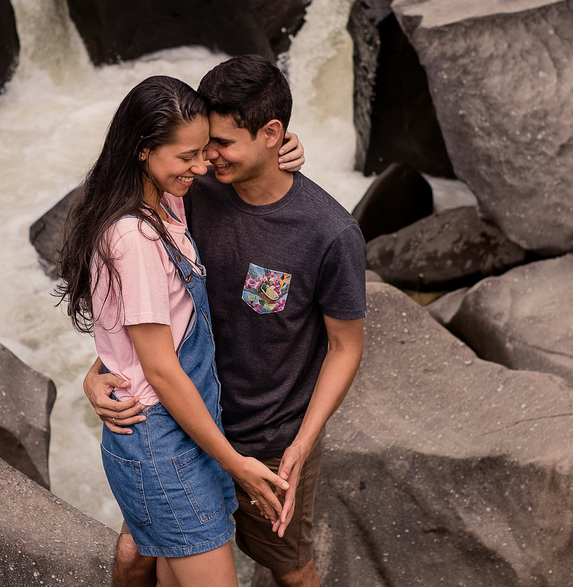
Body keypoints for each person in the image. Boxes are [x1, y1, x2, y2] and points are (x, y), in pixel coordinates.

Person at [84, 56, 367, 587]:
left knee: (291, 570)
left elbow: (345, 347)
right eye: (202, 145)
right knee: (132, 557)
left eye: (223, 144)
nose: (208, 158)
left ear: (273, 135)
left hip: (271, 439)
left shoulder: (329, 233)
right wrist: (98, 370)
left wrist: (302, 444)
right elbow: (145, 297)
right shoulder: (190, 189)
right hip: (182, 427)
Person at [57, 75, 299, 587]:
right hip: (162, 445)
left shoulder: (167, 200)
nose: (202, 166)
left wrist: (287, 151)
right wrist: (238, 464)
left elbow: (127, 331)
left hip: (184, 435)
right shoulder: (135, 238)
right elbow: (162, 371)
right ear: (144, 151)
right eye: (187, 156)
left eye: (206, 151)